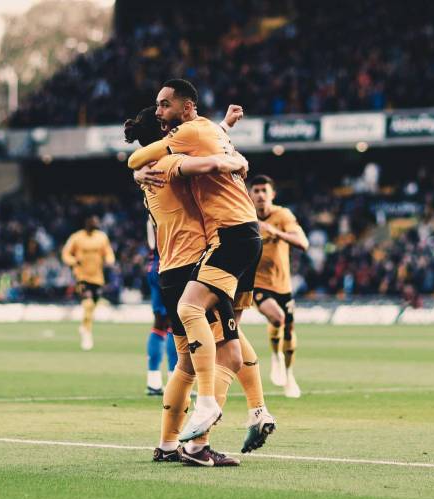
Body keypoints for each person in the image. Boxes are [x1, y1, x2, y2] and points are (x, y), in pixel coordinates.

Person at [128, 79, 274, 449]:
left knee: (186, 363)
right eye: (161, 117)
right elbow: (203, 158)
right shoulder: (173, 161)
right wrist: (232, 159)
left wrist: (222, 130)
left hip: (169, 269)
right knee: (230, 346)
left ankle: (167, 444)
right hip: (201, 259)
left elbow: (199, 139)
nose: (167, 120)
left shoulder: (150, 173)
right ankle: (207, 435)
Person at [249, 175, 309, 398]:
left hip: (283, 284)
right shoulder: (245, 217)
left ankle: (289, 374)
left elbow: (303, 243)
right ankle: (275, 355)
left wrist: (275, 232)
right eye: (256, 190)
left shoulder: (282, 216)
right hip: (257, 284)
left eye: (265, 190)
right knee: (278, 318)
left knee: (290, 329)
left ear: (272, 194)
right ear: (250, 195)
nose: (260, 195)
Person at [60, 215, 115, 350]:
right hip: (81, 277)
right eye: (93, 222)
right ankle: (87, 332)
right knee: (88, 303)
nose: (96, 224)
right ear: (87, 223)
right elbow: (65, 254)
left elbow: (108, 252)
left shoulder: (102, 237)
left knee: (92, 305)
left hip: (97, 277)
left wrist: (109, 260)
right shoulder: (76, 237)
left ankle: (84, 326)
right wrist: (73, 261)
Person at [144, 220, 178, 395]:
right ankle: (168, 382)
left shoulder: (157, 202)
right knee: (170, 322)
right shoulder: (160, 205)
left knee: (165, 323)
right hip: (166, 265)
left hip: (161, 264)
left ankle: (158, 382)